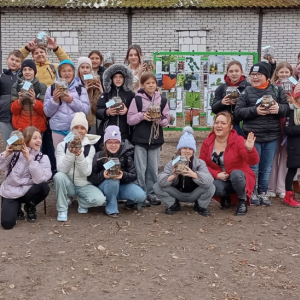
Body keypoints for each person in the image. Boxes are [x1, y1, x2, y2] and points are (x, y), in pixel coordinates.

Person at [235, 62, 289, 206]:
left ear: (267, 76)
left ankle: (263, 193)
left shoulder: (277, 90)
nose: (255, 77)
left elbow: (286, 109)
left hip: (272, 136)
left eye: (259, 75)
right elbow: (238, 113)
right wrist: (255, 111)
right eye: (253, 75)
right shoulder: (246, 92)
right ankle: (251, 192)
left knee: (267, 168)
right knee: (254, 167)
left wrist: (278, 109)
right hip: (253, 136)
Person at [200, 112, 259, 215]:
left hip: (239, 178)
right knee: (212, 186)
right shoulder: (207, 142)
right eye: (216, 122)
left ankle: (242, 200)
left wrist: (250, 149)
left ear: (231, 127)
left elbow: (253, 161)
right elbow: (201, 164)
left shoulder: (238, 141)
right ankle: (225, 196)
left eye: (223, 123)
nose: (219, 126)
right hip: (221, 179)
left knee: (236, 174)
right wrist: (216, 174)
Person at [127, 71, 170, 206]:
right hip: (140, 139)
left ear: (156, 84)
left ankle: (151, 193)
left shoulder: (162, 100)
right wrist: (142, 116)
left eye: (153, 83)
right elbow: (130, 119)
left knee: (152, 168)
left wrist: (159, 120)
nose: (151, 85)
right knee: (140, 168)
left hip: (156, 139)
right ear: (143, 85)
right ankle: (141, 193)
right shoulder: (137, 99)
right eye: (148, 83)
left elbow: (167, 120)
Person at [54, 112, 106, 222]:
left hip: (83, 184)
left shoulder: (90, 148)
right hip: (68, 184)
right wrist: (70, 153)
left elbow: (87, 172)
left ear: (86, 130)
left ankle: (82, 202)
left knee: (100, 200)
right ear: (71, 129)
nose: (79, 131)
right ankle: (62, 209)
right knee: (58, 176)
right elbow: (61, 169)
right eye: (76, 127)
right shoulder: (62, 146)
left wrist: (79, 155)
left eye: (82, 128)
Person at [154, 127, 215, 215]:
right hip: (177, 193)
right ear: (180, 149)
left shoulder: (200, 163)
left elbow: (209, 180)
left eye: (190, 149)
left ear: (193, 151)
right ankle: (173, 204)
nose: (187, 151)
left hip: (194, 193)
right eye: (184, 148)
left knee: (211, 187)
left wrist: (193, 174)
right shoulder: (172, 163)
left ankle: (200, 205)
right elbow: (161, 181)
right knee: (157, 186)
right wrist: (174, 175)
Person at [88, 125, 146, 217]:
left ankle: (128, 202)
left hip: (121, 187)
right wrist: (103, 175)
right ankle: (111, 207)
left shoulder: (126, 154)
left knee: (141, 195)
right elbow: (91, 177)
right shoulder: (99, 155)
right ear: (105, 143)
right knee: (112, 179)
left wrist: (122, 175)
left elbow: (133, 175)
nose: (113, 145)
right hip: (105, 187)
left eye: (116, 142)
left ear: (120, 143)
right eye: (110, 142)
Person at [0, 126, 51, 229]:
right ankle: (16, 208)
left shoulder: (43, 157)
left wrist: (30, 160)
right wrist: (5, 155)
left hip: (28, 191)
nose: (39, 141)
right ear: (27, 140)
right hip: (11, 190)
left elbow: (41, 179)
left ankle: (30, 206)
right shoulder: (14, 152)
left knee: (44, 186)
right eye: (35, 138)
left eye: (40, 138)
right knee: (7, 224)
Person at [268, 62, 300, 198]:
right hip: (275, 125)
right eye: (282, 72)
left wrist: (293, 101)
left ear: (291, 73)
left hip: (290, 127)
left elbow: (298, 106)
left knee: (286, 158)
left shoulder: (295, 87)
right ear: (277, 73)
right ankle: (270, 187)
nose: (284, 75)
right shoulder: (273, 87)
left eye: (287, 72)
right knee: (273, 157)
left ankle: (281, 187)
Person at [43, 60, 90, 150]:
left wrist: (71, 100)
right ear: (59, 73)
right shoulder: (51, 88)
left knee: (76, 155)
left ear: (74, 72)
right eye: (64, 71)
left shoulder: (80, 88)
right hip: (58, 130)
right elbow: (47, 113)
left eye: (69, 71)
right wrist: (55, 100)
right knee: (60, 156)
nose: (67, 73)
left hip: (77, 130)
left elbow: (86, 110)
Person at [97, 64, 135, 145]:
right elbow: (98, 111)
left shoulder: (131, 95)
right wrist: (107, 112)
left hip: (126, 132)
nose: (118, 79)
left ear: (125, 78)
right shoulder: (106, 94)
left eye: (120, 77)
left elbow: (136, 112)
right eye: (115, 77)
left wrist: (127, 111)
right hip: (108, 132)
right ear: (111, 78)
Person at [212, 61, 250, 135]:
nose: (234, 74)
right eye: (231, 71)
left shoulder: (248, 87)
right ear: (227, 73)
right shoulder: (221, 88)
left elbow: (253, 104)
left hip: (244, 124)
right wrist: (222, 103)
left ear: (241, 72)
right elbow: (214, 109)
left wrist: (241, 101)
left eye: (237, 71)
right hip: (226, 125)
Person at [11, 59, 47, 133]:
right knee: (20, 144)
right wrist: (19, 100)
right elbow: (14, 111)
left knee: (37, 144)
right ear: (22, 71)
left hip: (38, 127)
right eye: (24, 70)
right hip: (20, 127)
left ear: (34, 72)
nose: (27, 72)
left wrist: (34, 100)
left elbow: (44, 111)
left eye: (30, 69)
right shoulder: (16, 86)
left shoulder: (41, 86)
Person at [0, 50, 24, 145]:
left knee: (19, 142)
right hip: (4, 115)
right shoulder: (1, 77)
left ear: (21, 64)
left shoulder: (23, 77)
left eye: (17, 61)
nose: (14, 62)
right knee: (8, 143)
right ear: (7, 60)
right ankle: (9, 158)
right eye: (12, 59)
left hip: (19, 115)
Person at [282, 83, 300, 207]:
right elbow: (287, 130)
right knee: (292, 170)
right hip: (295, 146)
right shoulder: (292, 111)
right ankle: (288, 195)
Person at [77, 57, 103, 131]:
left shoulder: (93, 84)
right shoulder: (75, 83)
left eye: (87, 67)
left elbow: (95, 107)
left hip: (90, 121)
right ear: (78, 69)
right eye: (82, 67)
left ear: (90, 70)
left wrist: (100, 92)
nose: (85, 70)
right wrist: (84, 91)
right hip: (77, 122)